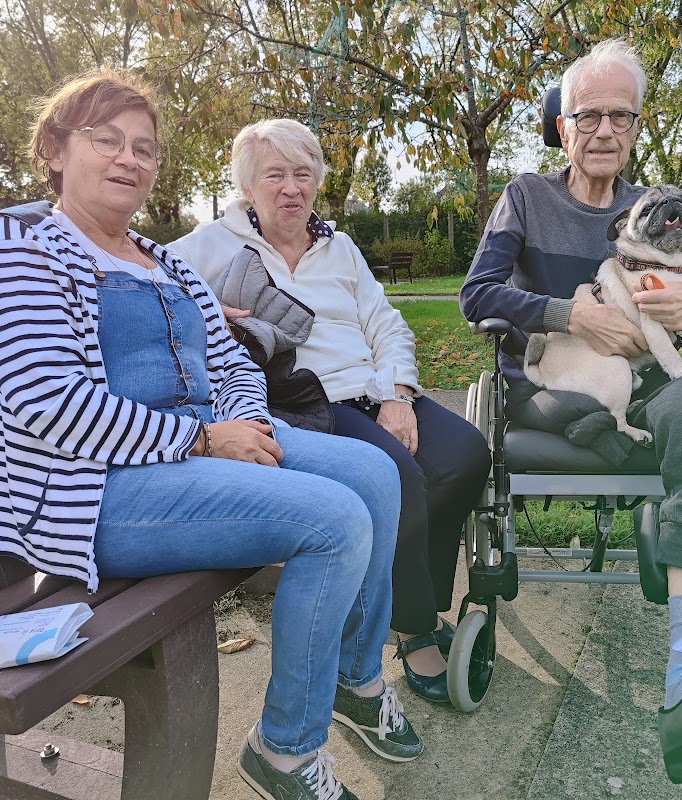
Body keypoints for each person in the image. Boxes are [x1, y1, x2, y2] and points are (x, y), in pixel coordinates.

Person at [0, 70, 423, 800]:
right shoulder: (25, 247)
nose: (131, 159)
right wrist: (201, 441)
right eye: (108, 141)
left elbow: (233, 357)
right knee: (333, 521)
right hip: (92, 485)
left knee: (374, 475)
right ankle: (285, 752)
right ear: (57, 150)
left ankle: (355, 679)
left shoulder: (162, 259)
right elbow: (47, 402)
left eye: (145, 148)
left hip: (204, 442)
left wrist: (243, 423)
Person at [460, 39, 682, 772]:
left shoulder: (659, 210)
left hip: (649, 391)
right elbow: (475, 295)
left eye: (621, 115)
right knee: (606, 400)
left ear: (638, 127)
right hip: (555, 382)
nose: (604, 129)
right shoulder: (526, 197)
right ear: (563, 127)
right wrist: (566, 314)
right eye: (589, 115)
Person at [170, 119, 491, 705]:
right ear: (247, 185)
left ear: (317, 180)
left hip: (371, 389)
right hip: (303, 399)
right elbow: (146, 286)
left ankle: (406, 599)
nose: (291, 188)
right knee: (401, 477)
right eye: (275, 175)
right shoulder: (209, 245)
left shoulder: (339, 245)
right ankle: (415, 630)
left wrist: (398, 393)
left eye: (303, 174)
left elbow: (386, 323)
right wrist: (206, 309)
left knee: (467, 455)